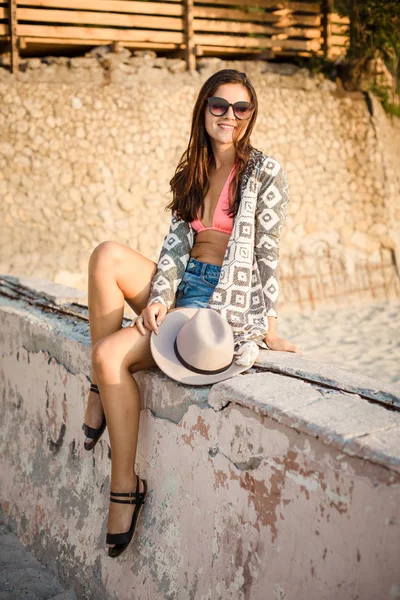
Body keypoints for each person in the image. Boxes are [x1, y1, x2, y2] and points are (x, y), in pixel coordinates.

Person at [83, 68, 301, 558]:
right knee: (106, 256)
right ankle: (97, 388)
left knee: (110, 355)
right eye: (219, 106)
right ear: (203, 110)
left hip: (216, 300)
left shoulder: (265, 172)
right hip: (184, 285)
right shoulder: (194, 170)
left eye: (241, 108)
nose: (230, 116)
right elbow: (174, 247)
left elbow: (267, 252)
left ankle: (124, 489)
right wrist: (159, 297)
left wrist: (268, 328)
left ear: (251, 115)